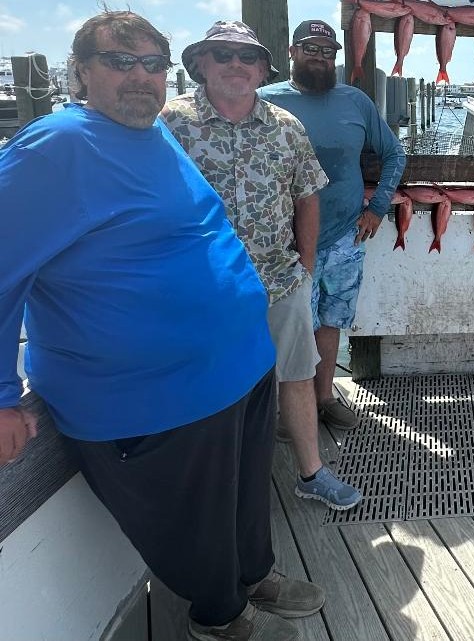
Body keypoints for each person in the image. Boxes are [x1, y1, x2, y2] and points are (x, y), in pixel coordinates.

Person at [0, 11, 324, 641]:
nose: (140, 77)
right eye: (119, 61)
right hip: (155, 395)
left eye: (152, 63)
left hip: (240, 367)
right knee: (195, 523)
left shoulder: (155, 132)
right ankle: (220, 618)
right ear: (81, 71)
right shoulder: (57, 146)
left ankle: (254, 574)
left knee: (244, 498)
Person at [161, 21, 361, 512]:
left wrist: (306, 265)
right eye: (223, 54)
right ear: (201, 64)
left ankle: (312, 473)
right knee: (211, 383)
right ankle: (216, 485)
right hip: (202, 288)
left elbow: (307, 196)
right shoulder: (169, 123)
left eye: (247, 57)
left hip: (280, 278)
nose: (236, 64)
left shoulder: (286, 127)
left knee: (297, 375)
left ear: (263, 69)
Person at [258, 20, 406, 428]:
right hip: (284, 244)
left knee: (331, 321)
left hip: (346, 235)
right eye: (311, 48)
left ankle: (324, 398)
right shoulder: (263, 102)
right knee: (290, 331)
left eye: (329, 51)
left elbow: (394, 154)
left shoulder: (356, 101)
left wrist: (377, 207)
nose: (321, 58)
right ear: (292, 51)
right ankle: (292, 410)